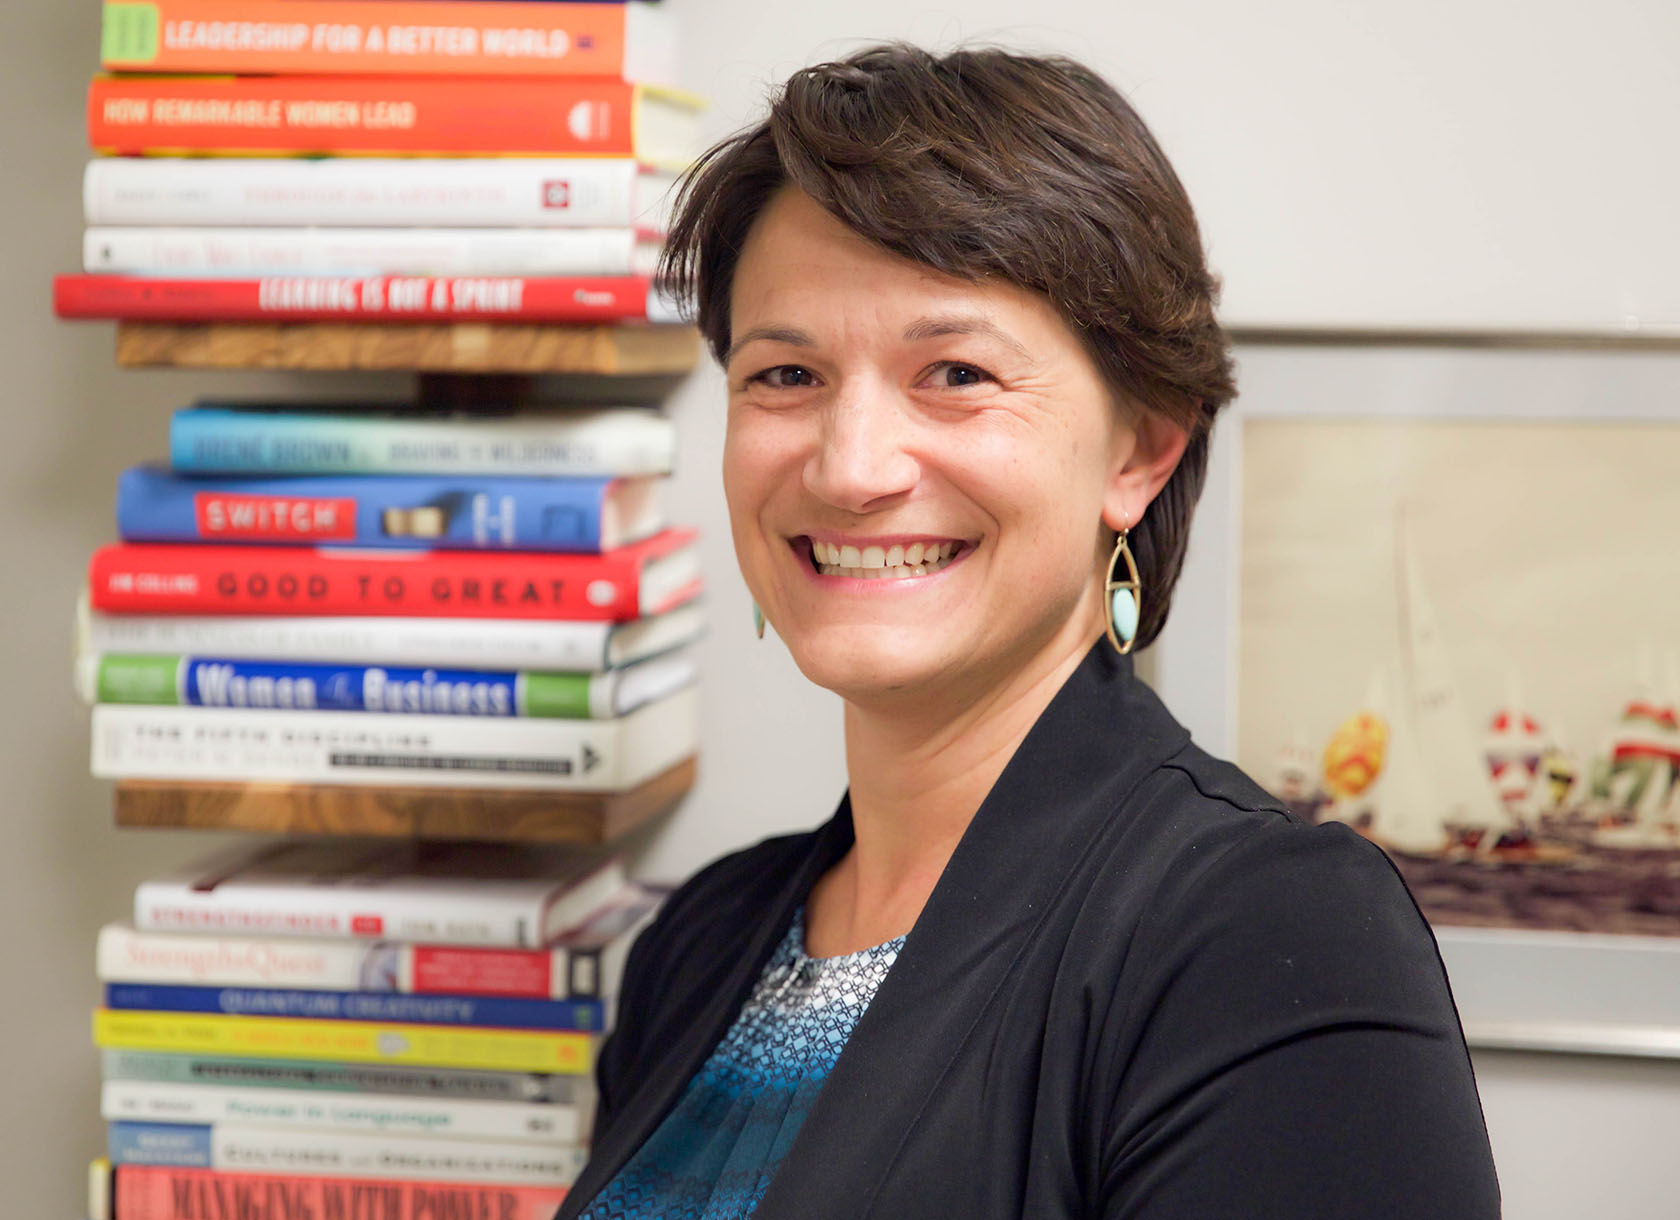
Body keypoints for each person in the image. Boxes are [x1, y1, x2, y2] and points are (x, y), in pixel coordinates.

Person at [557, 44, 1501, 1220]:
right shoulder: (698, 939)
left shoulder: (1268, 939)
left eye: (954, 371)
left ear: (1139, 449)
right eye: (786, 373)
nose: (849, 470)